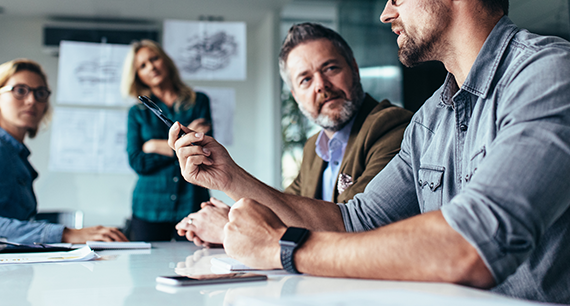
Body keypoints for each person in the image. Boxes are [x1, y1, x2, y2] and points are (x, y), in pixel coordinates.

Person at [169, 0, 570, 306]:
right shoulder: (432, 117)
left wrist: (284, 248)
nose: (386, 13)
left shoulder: (551, 75)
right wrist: (228, 176)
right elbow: (352, 221)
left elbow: (472, 244)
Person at [175, 23, 413, 246]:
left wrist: (229, 227)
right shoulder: (314, 148)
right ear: (295, 95)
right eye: (306, 79)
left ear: (354, 69)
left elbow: (351, 227)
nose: (321, 85)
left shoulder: (392, 126)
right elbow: (284, 210)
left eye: (330, 68)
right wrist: (234, 216)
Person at [0, 59, 127, 244]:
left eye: (40, 93)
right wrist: (66, 234)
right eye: (20, 91)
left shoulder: (12, 152)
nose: (32, 100)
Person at [121, 39, 212, 241]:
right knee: (145, 270)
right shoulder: (137, 113)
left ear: (166, 61)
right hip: (149, 207)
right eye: (143, 66)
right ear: (138, 76)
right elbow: (137, 161)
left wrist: (153, 146)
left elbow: (204, 151)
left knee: (195, 265)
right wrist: (183, 145)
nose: (151, 67)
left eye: (154, 59)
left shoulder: (199, 102)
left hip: (192, 203)